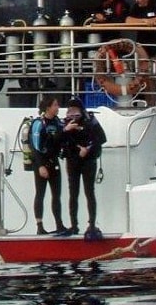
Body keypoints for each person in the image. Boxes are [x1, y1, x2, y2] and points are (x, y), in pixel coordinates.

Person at [60, 98, 107, 239]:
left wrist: (87, 148)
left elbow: (102, 138)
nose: (73, 115)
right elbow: (60, 141)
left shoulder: (90, 121)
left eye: (76, 111)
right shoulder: (65, 124)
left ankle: (92, 223)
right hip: (73, 161)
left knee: (89, 192)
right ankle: (74, 225)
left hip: (89, 161)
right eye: (70, 112)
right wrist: (66, 130)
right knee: (73, 193)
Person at [31, 95, 68, 235]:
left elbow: (61, 139)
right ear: (48, 107)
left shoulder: (58, 123)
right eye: (55, 105)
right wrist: (40, 165)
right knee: (40, 193)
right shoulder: (39, 123)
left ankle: (59, 224)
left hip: (54, 162)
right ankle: (39, 225)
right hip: (41, 162)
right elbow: (35, 146)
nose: (58, 108)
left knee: (56, 195)